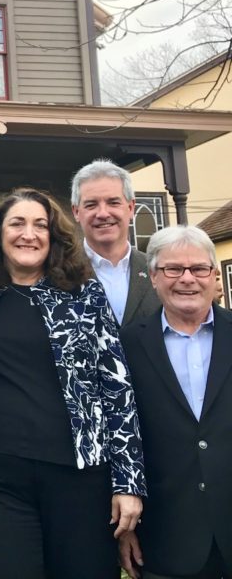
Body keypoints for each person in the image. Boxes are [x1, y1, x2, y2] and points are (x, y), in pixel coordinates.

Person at [0, 188, 145, 578]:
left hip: (81, 481)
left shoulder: (84, 296)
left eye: (40, 225)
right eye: (18, 223)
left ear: (54, 237)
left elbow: (117, 389)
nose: (29, 234)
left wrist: (128, 481)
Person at [118, 225, 232, 579]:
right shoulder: (125, 346)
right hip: (165, 538)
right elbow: (119, 436)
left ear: (215, 277)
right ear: (153, 276)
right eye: (173, 269)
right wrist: (126, 528)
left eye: (199, 269)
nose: (187, 279)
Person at [71, 159, 161, 326]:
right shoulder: (58, 272)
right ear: (76, 212)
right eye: (91, 205)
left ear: (131, 207)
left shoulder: (159, 270)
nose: (103, 213)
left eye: (113, 202)